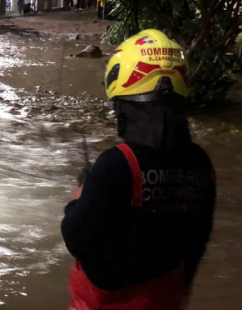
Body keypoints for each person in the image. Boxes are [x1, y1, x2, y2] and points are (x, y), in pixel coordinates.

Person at [62, 29, 216, 310]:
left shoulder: (116, 164)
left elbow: (75, 237)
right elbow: (197, 242)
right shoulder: (201, 164)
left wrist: (77, 199)